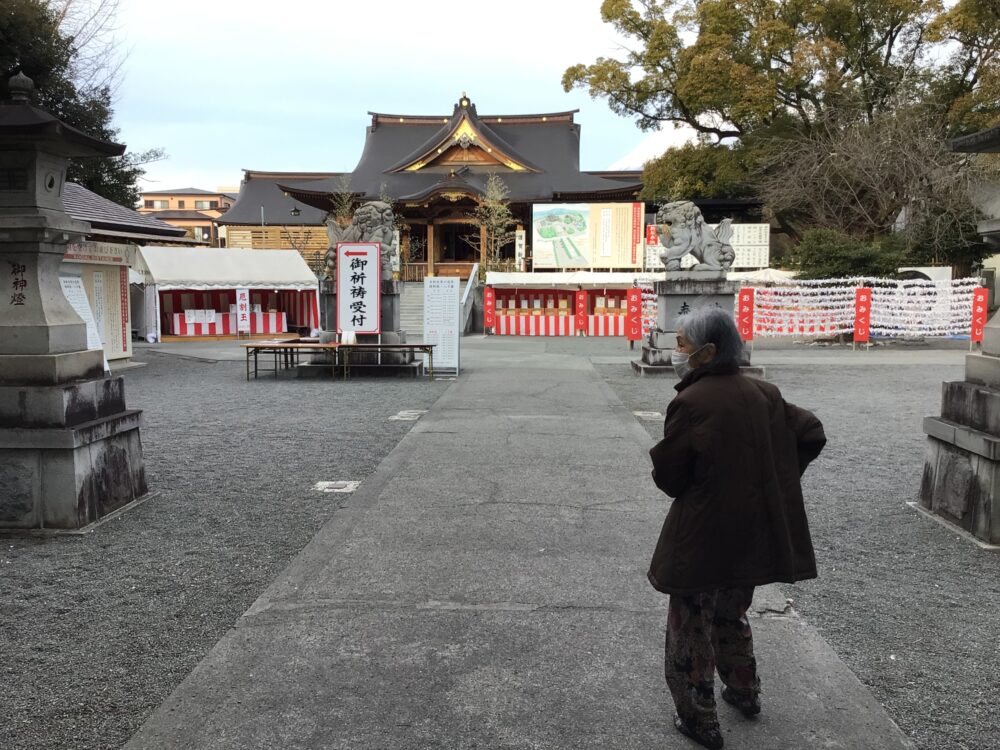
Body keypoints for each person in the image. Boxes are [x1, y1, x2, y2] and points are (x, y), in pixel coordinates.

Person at [648, 306, 826, 749]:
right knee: (732, 610)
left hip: (703, 532)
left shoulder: (691, 402)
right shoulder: (765, 393)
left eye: (682, 345)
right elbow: (811, 432)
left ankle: (699, 717)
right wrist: (776, 478)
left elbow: (671, 476)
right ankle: (744, 691)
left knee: (690, 621)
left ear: (707, 353)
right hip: (753, 529)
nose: (677, 352)